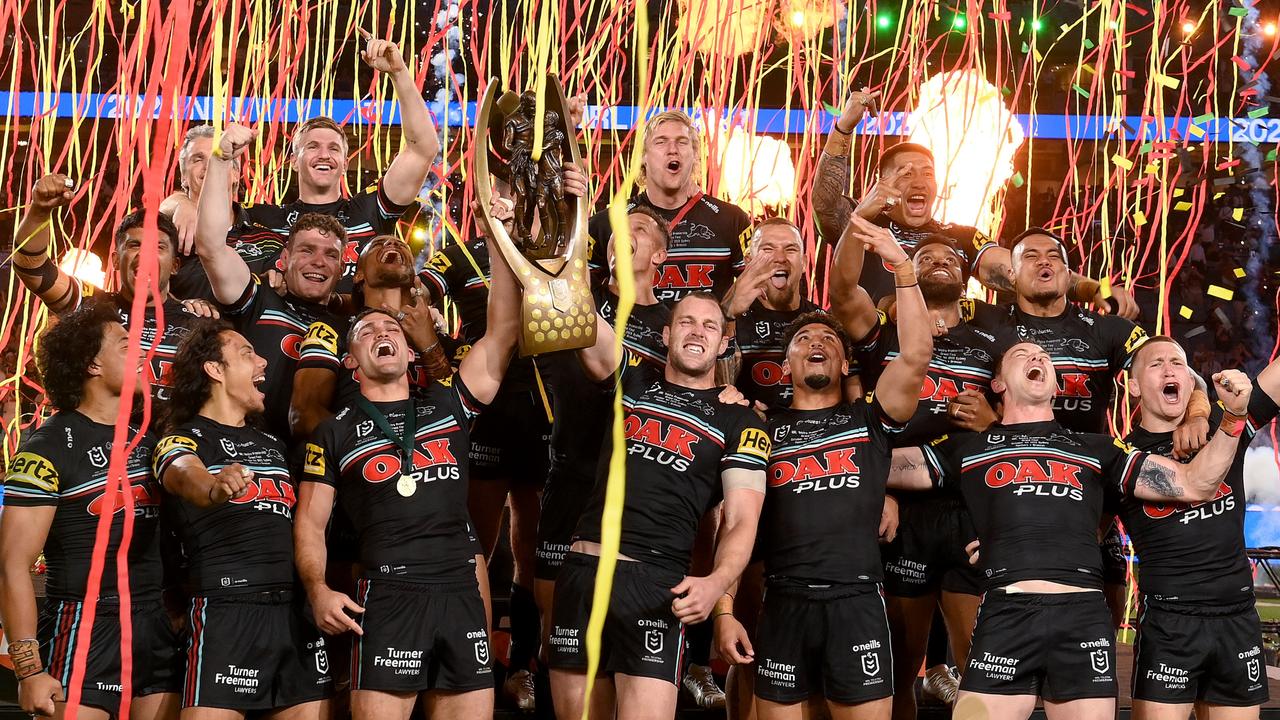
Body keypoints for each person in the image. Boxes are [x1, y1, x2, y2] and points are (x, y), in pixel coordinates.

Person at [887, 341, 1254, 720]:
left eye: (1045, 357)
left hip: (1082, 617)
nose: (1037, 358)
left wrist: (1232, 418)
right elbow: (871, 465)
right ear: (997, 384)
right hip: (1007, 612)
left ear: (1058, 386)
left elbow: (1196, 484)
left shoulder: (1097, 449)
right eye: (1022, 355)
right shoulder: (968, 448)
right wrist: (887, 496)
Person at [293, 214, 522, 720]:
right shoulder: (335, 433)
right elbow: (309, 520)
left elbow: (504, 331)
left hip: (459, 588)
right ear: (351, 361)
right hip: (388, 593)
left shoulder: (447, 404)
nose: (383, 329)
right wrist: (317, 588)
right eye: (368, 328)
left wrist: (499, 240)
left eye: (391, 327)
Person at [714, 218, 930, 720]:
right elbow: (736, 519)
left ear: (844, 362)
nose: (818, 342)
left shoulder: (869, 419)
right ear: (783, 366)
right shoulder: (758, 429)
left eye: (829, 340)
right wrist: (725, 611)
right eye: (805, 339)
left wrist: (901, 267)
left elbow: (917, 354)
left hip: (856, 601)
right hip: (784, 601)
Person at [966, 228, 1209, 626]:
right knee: (997, 615)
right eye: (1030, 256)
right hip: (1010, 486)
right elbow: (923, 311)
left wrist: (1198, 412)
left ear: (1067, 272)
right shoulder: (986, 321)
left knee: (1103, 613)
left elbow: (1175, 368)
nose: (1044, 262)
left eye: (1054, 256)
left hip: (1090, 493)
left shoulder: (1108, 330)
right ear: (1010, 274)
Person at [547, 291, 770, 720]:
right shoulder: (632, 379)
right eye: (686, 322)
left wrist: (716, 582)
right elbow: (580, 315)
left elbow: (742, 520)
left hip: (655, 585)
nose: (697, 332)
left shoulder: (740, 421)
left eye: (710, 326)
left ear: (723, 344)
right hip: (584, 575)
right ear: (666, 335)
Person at [416, 171, 588, 711]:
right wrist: (434, 349)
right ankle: (468, 662)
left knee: (534, 550)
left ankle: (524, 664)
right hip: (484, 409)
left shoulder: (555, 253)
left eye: (520, 193)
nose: (509, 204)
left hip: (546, 410)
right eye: (498, 197)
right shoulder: (462, 256)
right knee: (474, 542)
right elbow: (417, 291)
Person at [833, 224, 1000, 718]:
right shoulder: (881, 332)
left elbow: (1024, 411)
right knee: (900, 664)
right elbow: (843, 292)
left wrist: (991, 421)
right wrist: (879, 487)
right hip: (902, 513)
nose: (938, 261)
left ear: (966, 275)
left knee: (979, 659)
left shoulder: (992, 337)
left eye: (949, 256)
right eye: (923, 257)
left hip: (967, 510)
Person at [0, 303, 183, 720]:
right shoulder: (46, 448)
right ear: (91, 365)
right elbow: (13, 564)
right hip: (83, 626)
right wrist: (29, 672)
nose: (141, 352)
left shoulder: (151, 439)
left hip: (154, 623)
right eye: (125, 344)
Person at [811, 90, 1138, 318]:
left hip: (944, 371)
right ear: (882, 183)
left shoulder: (961, 237)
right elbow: (824, 204)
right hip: (871, 370)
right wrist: (843, 128)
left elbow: (1023, 270)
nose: (920, 181)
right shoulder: (862, 226)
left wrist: (1097, 289)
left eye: (928, 173)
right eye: (906, 173)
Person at [152, 321, 332, 718]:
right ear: (214, 370)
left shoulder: (273, 443)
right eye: (248, 353)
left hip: (294, 615)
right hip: (226, 613)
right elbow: (182, 471)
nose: (264, 362)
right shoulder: (182, 437)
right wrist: (212, 486)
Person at [534, 206, 674, 711]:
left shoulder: (678, 325)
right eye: (616, 230)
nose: (624, 235)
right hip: (571, 478)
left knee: (632, 654)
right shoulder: (575, 300)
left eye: (638, 229)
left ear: (660, 253)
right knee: (562, 643)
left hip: (641, 503)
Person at [1121, 337, 1279, 720]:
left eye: (1178, 362)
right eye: (1156, 363)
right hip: (1169, 624)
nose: (1170, 368)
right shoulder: (1121, 457)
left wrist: (1221, 411)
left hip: (1236, 617)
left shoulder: (1222, 425)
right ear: (1134, 385)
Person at [239, 33, 439, 292]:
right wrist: (182, 203)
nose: (324, 155)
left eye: (333, 149)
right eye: (313, 147)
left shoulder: (368, 211)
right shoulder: (264, 219)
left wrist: (399, 73)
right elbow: (211, 226)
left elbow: (423, 149)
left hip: (360, 331)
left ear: (345, 164)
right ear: (293, 162)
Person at [195, 123, 346, 437]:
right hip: (246, 456)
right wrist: (221, 160)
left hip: (316, 465)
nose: (319, 261)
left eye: (331, 255)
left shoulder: (349, 327)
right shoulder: (258, 298)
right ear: (285, 258)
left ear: (342, 268)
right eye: (306, 250)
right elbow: (210, 246)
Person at [13, 176, 209, 401]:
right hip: (98, 435)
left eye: (158, 247)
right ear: (115, 260)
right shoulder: (91, 309)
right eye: (135, 245)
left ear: (175, 265)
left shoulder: (199, 323)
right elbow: (32, 267)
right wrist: (39, 211)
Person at [289, 234, 451, 439]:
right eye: (378, 244)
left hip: (434, 458)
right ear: (359, 275)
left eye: (401, 245)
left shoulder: (444, 343)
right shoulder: (331, 330)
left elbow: (464, 413)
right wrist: (372, 446)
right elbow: (303, 416)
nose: (392, 244)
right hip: (359, 460)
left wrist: (430, 344)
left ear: (413, 274)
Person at [587, 111, 751, 302]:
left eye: (682, 142)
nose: (672, 149)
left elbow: (758, 289)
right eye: (661, 141)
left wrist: (726, 316)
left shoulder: (732, 220)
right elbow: (577, 295)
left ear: (694, 155)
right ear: (643, 157)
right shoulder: (605, 224)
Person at [163, 125, 283, 301]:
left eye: (218, 158)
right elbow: (140, 291)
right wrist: (181, 307)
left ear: (236, 174)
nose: (209, 165)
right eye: (198, 159)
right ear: (184, 177)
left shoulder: (267, 239)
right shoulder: (165, 234)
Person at [719, 218, 822, 411]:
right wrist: (727, 315)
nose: (780, 258)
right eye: (768, 250)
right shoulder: (730, 320)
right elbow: (716, 385)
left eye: (790, 249)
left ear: (804, 263)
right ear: (749, 262)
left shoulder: (823, 323)